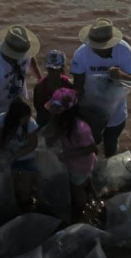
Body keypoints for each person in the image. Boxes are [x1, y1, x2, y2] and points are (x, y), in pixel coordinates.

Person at [71, 18, 131, 157]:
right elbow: (77, 87)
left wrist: (121, 75)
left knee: (111, 145)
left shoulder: (124, 50)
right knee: (87, 148)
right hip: (90, 112)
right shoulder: (81, 53)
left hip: (116, 112)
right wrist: (78, 114)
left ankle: (108, 169)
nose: (95, 48)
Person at [0, 25, 41, 155]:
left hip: (19, 106)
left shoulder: (23, 50)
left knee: (21, 142)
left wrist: (39, 78)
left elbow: (31, 58)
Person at [44, 87, 97, 221]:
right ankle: (88, 191)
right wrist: (53, 138)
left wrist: (67, 155)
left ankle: (81, 213)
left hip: (81, 165)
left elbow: (91, 148)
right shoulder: (64, 122)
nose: (54, 114)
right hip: (72, 160)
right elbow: (60, 131)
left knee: (76, 189)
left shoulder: (81, 128)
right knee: (77, 185)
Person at [0, 98, 39, 205]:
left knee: (25, 192)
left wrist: (17, 155)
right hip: (9, 157)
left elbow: (33, 144)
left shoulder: (30, 123)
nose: (28, 119)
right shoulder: (3, 119)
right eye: (25, 118)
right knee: (10, 188)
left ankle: (25, 208)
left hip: (27, 157)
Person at [33, 50, 73, 129]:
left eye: (56, 70)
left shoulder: (68, 85)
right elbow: (40, 111)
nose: (53, 73)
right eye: (51, 69)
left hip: (64, 122)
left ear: (62, 69)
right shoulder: (40, 87)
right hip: (46, 123)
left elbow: (73, 108)